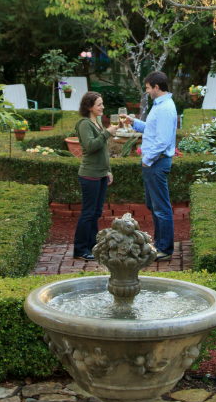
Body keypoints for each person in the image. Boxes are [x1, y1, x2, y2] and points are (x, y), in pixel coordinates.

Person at [120, 71, 177, 260]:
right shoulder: (159, 105)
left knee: (161, 207)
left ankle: (165, 249)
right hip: (154, 162)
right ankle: (160, 244)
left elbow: (162, 141)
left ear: (156, 87)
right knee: (153, 205)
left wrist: (147, 159)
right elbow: (153, 131)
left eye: (147, 88)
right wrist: (134, 122)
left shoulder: (166, 108)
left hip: (157, 162)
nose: (147, 91)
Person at [73, 91, 118, 261]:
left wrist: (108, 170)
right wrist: (107, 132)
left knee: (96, 212)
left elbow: (102, 151)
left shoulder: (96, 122)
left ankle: (91, 246)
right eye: (99, 104)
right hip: (89, 175)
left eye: (102, 104)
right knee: (88, 212)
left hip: (100, 175)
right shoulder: (84, 124)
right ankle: (79, 248)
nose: (102, 107)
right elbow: (91, 146)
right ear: (89, 107)